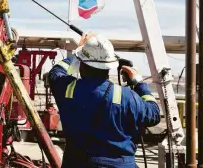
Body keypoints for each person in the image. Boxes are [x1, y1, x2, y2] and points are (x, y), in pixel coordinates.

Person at [46, 33, 160, 168]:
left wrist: (78, 52)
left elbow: (55, 72)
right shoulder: (127, 96)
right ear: (110, 66)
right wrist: (139, 83)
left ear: (82, 64)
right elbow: (154, 114)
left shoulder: (68, 90)